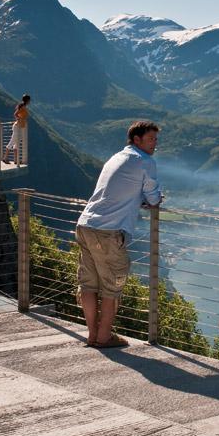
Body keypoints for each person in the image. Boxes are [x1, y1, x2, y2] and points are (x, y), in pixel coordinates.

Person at [76, 120, 162, 348]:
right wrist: (154, 201)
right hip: (108, 231)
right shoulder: (145, 162)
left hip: (85, 225)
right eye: (151, 138)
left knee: (89, 285)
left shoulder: (116, 157)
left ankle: (92, 334)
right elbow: (153, 196)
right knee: (112, 285)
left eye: (156, 139)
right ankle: (104, 337)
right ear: (137, 139)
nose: (155, 143)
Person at [2, 94, 30, 164]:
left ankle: (15, 160)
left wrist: (21, 120)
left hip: (20, 127)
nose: (30, 101)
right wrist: (19, 119)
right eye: (29, 100)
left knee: (16, 143)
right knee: (12, 142)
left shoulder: (23, 106)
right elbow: (15, 114)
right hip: (18, 126)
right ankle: (5, 158)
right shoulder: (23, 107)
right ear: (27, 100)